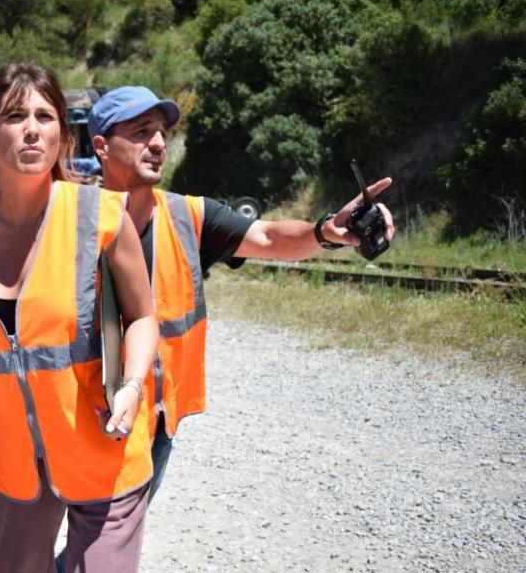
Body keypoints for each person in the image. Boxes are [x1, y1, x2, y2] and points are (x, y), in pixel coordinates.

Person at [85, 85, 397, 501]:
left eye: (162, 132)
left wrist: (326, 232)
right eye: (142, 131)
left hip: (153, 422)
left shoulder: (188, 216)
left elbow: (267, 237)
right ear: (103, 146)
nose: (159, 143)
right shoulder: (71, 222)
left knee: (111, 551)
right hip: (82, 417)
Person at [0, 63, 160, 573]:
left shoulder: (101, 215)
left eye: (46, 116)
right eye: (14, 116)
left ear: (60, 136)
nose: (32, 128)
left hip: (104, 447)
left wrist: (134, 385)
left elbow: (142, 317)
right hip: (15, 468)